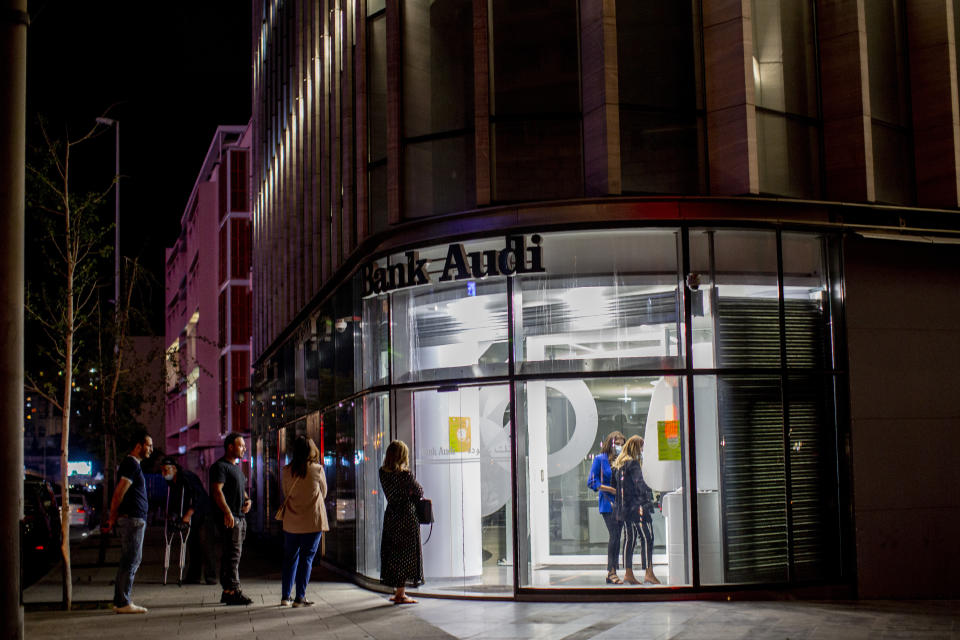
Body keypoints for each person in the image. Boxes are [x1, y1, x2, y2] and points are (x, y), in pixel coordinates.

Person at [103, 429, 154, 614]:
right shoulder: (131, 464)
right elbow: (119, 492)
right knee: (131, 559)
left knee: (130, 559)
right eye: (148, 445)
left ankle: (121, 600)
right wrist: (112, 516)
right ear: (138, 446)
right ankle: (123, 602)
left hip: (134, 519)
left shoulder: (133, 465)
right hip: (132, 519)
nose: (151, 449)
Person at [279, 435, 329, 607]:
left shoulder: (286, 470)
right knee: (306, 558)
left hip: (291, 522)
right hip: (312, 521)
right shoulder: (317, 470)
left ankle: (285, 597)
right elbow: (324, 492)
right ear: (311, 450)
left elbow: (286, 493)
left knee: (290, 558)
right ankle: (300, 597)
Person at [378, 440, 424, 604]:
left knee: (394, 553)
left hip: (391, 516)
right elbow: (419, 492)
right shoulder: (406, 475)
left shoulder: (382, 473)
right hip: (407, 516)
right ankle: (401, 594)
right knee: (407, 554)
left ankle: (398, 591)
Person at [210, 433, 253, 605]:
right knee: (233, 555)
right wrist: (227, 512)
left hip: (240, 516)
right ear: (230, 447)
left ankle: (228, 590)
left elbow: (241, 489)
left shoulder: (237, 468)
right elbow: (217, 491)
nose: (244, 448)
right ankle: (234, 590)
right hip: (231, 518)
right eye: (241, 445)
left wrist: (247, 500)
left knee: (232, 555)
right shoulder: (220, 467)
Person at [159, 456, 217, 584]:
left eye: (166, 470)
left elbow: (197, 497)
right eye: (162, 470)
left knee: (205, 545)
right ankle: (194, 576)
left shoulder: (186, 477)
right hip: (191, 517)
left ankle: (210, 576)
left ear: (174, 469)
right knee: (193, 545)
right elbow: (174, 500)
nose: (164, 473)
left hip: (203, 514)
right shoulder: (171, 483)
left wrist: (187, 516)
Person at [612, 435, 660, 585]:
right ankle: (649, 572)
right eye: (641, 448)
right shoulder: (633, 464)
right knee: (647, 538)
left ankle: (628, 573)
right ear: (636, 448)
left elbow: (617, 489)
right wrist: (648, 499)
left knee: (629, 539)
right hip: (638, 507)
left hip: (624, 509)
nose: (642, 452)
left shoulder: (620, 466)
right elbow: (640, 484)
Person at [587, 430, 625, 584]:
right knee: (614, 536)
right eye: (617, 444)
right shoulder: (600, 459)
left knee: (617, 537)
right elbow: (591, 482)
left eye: (622, 445)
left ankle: (612, 572)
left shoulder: (621, 460)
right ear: (610, 443)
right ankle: (611, 571)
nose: (619, 447)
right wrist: (609, 489)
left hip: (621, 503)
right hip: (607, 503)